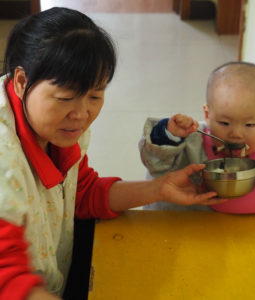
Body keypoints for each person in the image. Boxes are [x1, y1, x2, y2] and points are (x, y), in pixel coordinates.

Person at [0, 7, 227, 300]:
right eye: (65, 98)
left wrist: (159, 188)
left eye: (95, 96)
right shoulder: (6, 161)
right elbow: (7, 279)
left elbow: (81, 193)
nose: (82, 114)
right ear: (20, 82)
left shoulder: (54, 129)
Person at [139, 61, 255, 213]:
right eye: (224, 123)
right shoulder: (190, 143)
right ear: (208, 114)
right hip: (185, 230)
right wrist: (169, 134)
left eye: (249, 125)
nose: (235, 134)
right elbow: (156, 163)